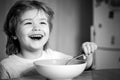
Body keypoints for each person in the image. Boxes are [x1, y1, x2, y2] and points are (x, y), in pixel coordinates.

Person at [0, 0, 97, 79]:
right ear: (13, 33)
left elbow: (83, 65)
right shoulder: (6, 66)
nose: (37, 28)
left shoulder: (56, 58)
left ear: (49, 32)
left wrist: (87, 53)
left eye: (42, 23)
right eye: (28, 23)